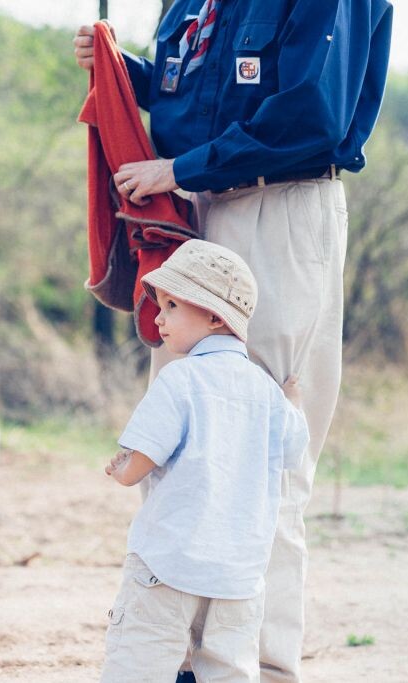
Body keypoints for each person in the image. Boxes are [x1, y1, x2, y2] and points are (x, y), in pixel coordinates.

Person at [75, 1, 393, 680]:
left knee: (263, 446)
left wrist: (181, 166)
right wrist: (124, 74)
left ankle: (262, 663)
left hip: (276, 203)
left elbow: (311, 114)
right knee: (182, 442)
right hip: (192, 210)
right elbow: (196, 94)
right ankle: (184, 658)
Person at [100, 239, 308, 682]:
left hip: (168, 565)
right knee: (228, 670)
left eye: (172, 305)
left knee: (141, 661)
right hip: (239, 576)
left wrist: (122, 468)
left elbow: (139, 462)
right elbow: (292, 451)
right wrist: (292, 402)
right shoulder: (266, 391)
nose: (158, 318)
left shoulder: (180, 378)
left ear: (216, 317)